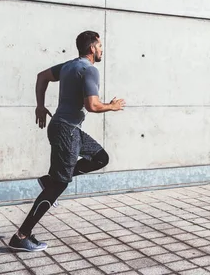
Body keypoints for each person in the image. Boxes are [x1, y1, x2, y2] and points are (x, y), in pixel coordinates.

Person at [8, 30, 125, 251]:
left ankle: (50, 180)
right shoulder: (89, 70)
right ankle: (21, 236)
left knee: (100, 158)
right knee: (58, 186)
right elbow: (92, 105)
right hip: (67, 132)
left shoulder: (69, 66)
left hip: (69, 129)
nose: (101, 50)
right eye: (100, 46)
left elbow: (42, 76)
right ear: (92, 48)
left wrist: (40, 105)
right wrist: (112, 106)